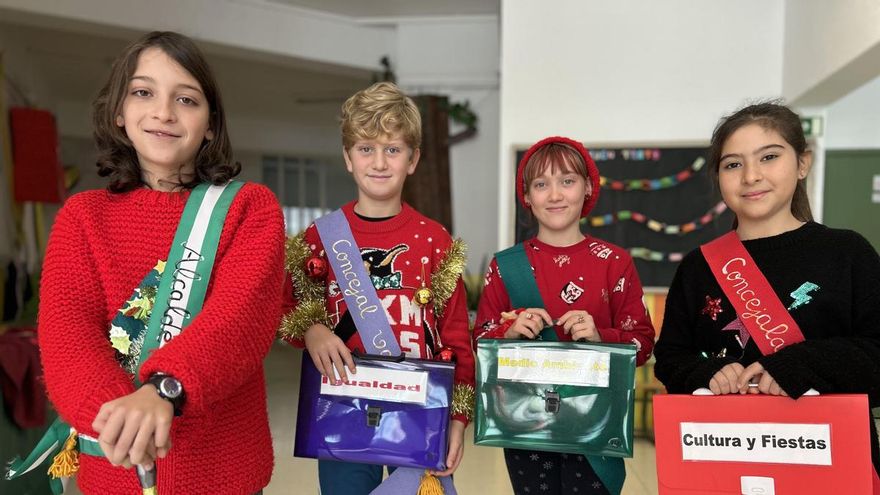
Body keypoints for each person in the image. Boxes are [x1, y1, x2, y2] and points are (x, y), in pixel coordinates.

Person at [36, 31, 284, 494]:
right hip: (117, 467)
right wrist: (125, 420)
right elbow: (66, 335)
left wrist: (163, 391)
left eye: (186, 99)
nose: (164, 112)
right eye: (143, 92)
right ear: (119, 113)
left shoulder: (249, 208)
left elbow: (239, 320)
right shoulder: (83, 216)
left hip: (223, 471)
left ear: (210, 123)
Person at [653, 102, 880, 477]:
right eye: (733, 164)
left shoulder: (847, 253)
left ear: (802, 163)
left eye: (769, 157)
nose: (751, 176)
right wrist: (707, 373)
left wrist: (799, 365)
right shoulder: (698, 266)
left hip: (828, 463)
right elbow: (672, 358)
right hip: (725, 460)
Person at [279, 81, 475, 495]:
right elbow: (284, 306)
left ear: (413, 159)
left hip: (420, 416)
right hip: (341, 413)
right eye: (366, 148)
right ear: (348, 158)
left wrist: (457, 420)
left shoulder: (434, 240)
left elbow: (457, 335)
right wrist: (312, 331)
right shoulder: (321, 237)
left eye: (393, 149)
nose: (380, 162)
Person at [473, 136, 655, 495]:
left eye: (567, 181)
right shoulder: (505, 265)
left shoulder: (614, 262)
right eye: (541, 184)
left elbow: (643, 343)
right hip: (525, 423)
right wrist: (508, 333)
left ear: (588, 187)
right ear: (526, 196)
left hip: (595, 422)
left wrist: (602, 336)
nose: (555, 195)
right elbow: (479, 343)